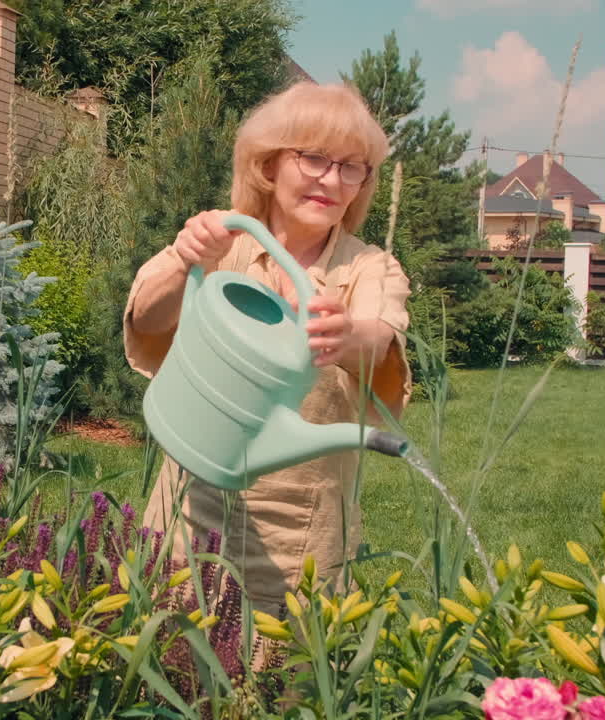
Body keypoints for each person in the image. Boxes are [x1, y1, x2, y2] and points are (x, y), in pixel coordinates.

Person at [123, 81, 412, 615]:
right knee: (165, 669)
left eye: (353, 167)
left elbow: (381, 337)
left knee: (286, 684)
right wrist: (191, 262)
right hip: (189, 515)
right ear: (270, 164)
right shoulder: (221, 241)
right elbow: (146, 316)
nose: (333, 180)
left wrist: (345, 335)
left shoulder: (368, 268)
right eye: (316, 158)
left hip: (303, 539)